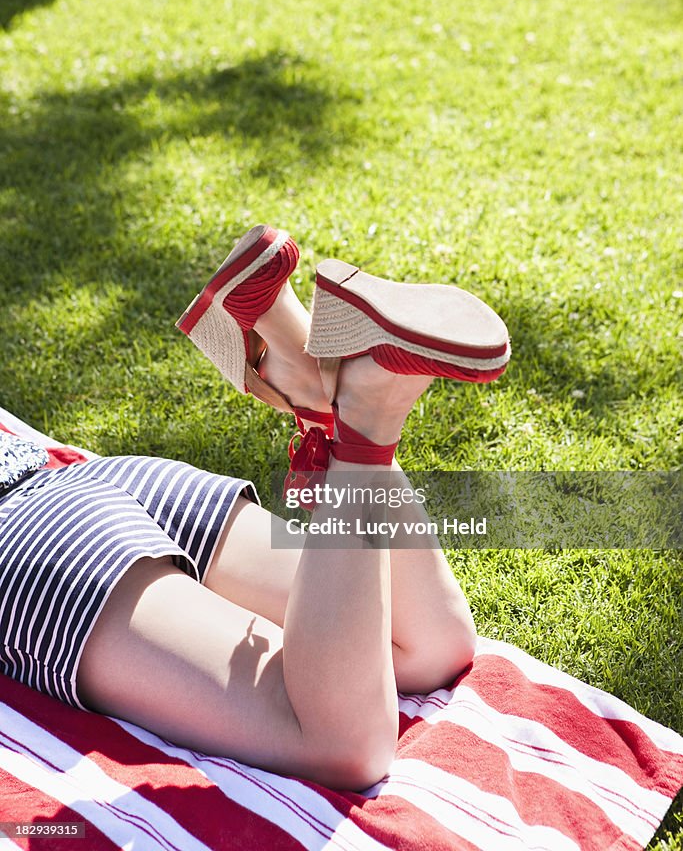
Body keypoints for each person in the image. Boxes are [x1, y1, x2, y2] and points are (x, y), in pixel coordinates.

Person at [0, 225, 510, 791]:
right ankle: (321, 393)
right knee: (429, 643)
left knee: (343, 740)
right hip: (93, 478)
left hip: (32, 538)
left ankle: (365, 414)